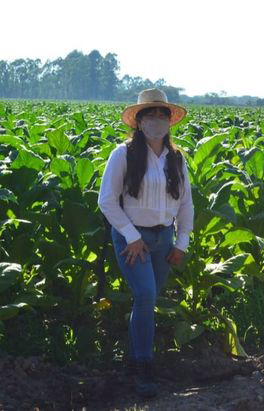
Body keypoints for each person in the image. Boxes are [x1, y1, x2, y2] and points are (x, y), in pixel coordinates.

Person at [98, 88, 193, 397]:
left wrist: (182, 242)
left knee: (145, 301)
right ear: (137, 122)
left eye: (161, 114)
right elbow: (107, 202)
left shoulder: (177, 158)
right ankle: (144, 368)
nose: (156, 120)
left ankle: (133, 360)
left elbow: (186, 205)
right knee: (146, 296)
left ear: (169, 120)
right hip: (131, 238)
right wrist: (133, 236)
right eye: (149, 114)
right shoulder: (123, 154)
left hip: (164, 238)